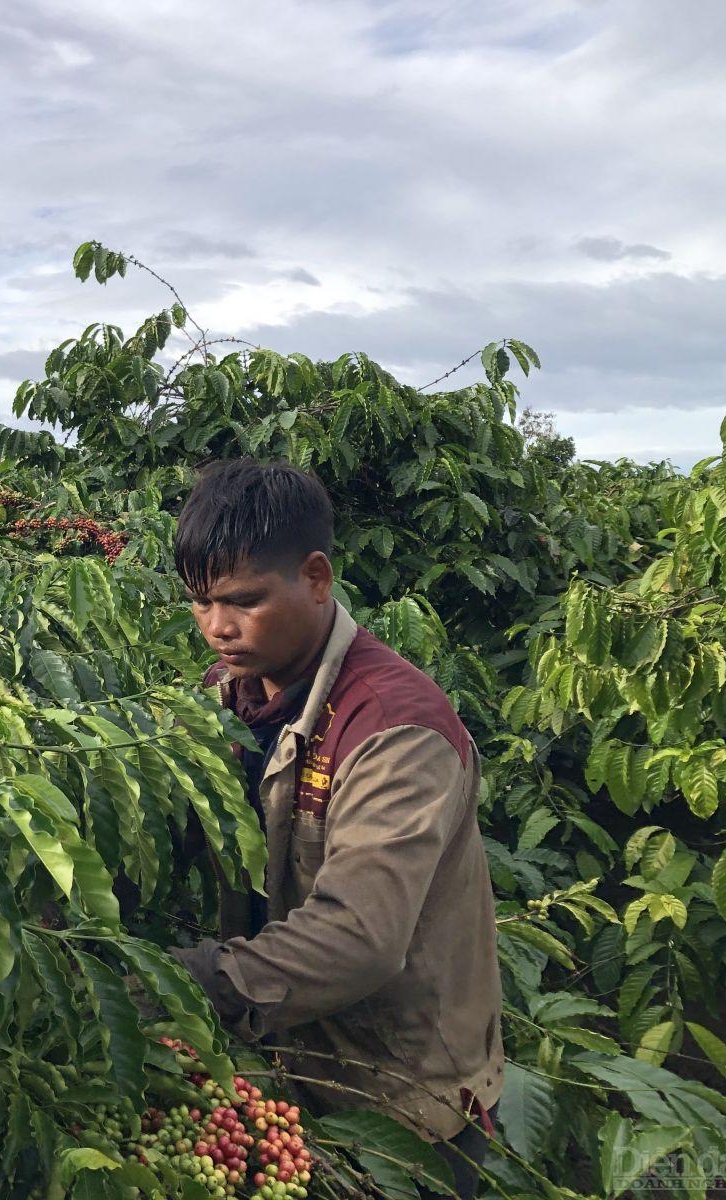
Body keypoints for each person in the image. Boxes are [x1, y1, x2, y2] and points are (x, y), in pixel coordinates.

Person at [166, 459, 503, 1199]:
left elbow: (359, 937)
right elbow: (187, 828)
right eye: (199, 603)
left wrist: (184, 984)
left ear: (317, 578)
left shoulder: (393, 728)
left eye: (243, 601)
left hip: (398, 1098)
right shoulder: (226, 693)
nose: (217, 628)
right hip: (287, 1069)